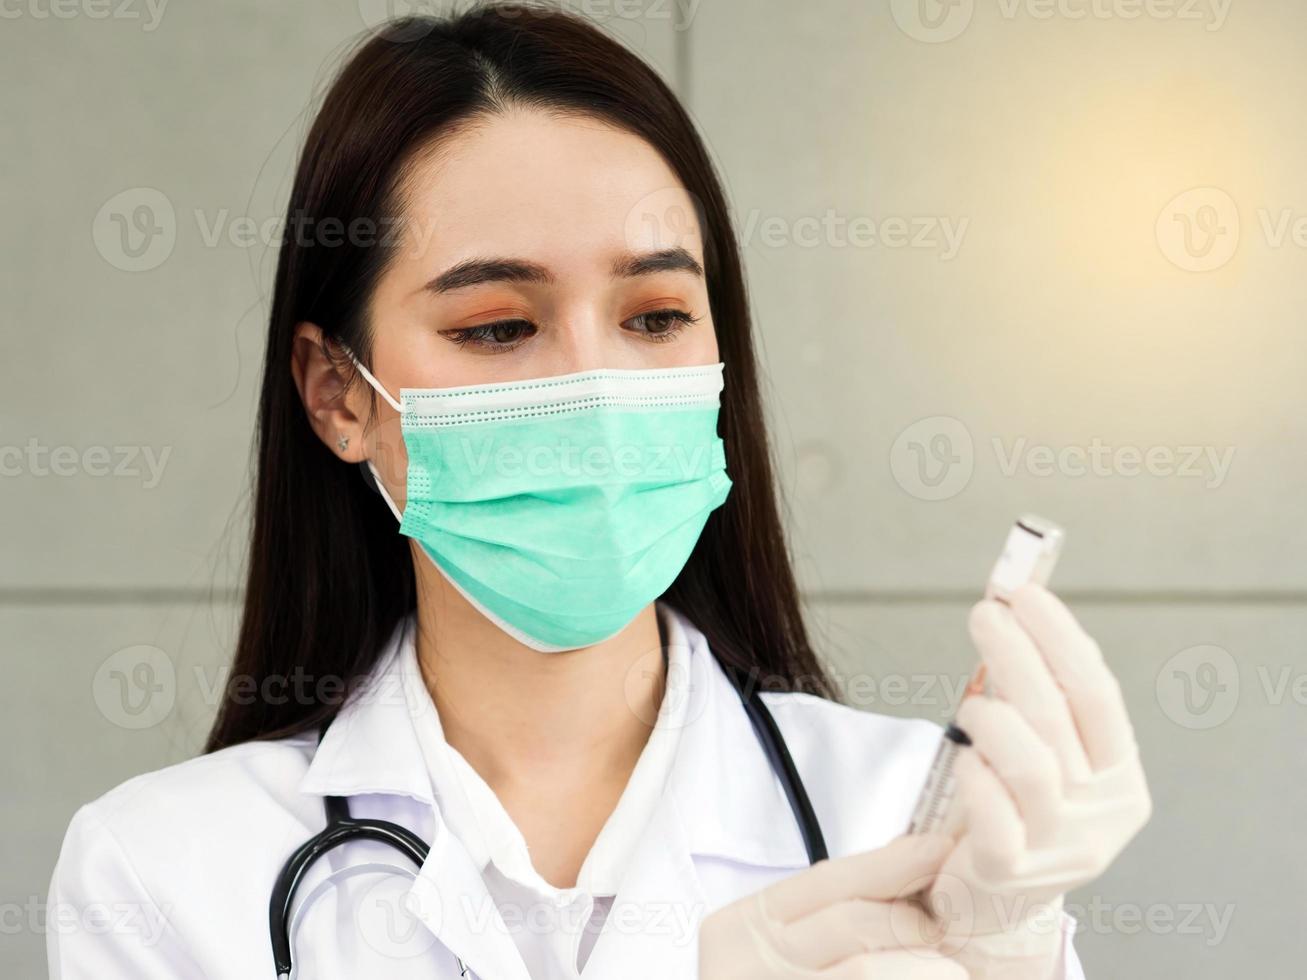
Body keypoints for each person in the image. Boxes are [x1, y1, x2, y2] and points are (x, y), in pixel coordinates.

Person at [46, 4, 1151, 978]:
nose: (595, 383)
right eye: (497, 327)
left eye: (655, 316)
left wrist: (1016, 958)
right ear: (341, 394)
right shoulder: (163, 872)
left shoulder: (901, 817)